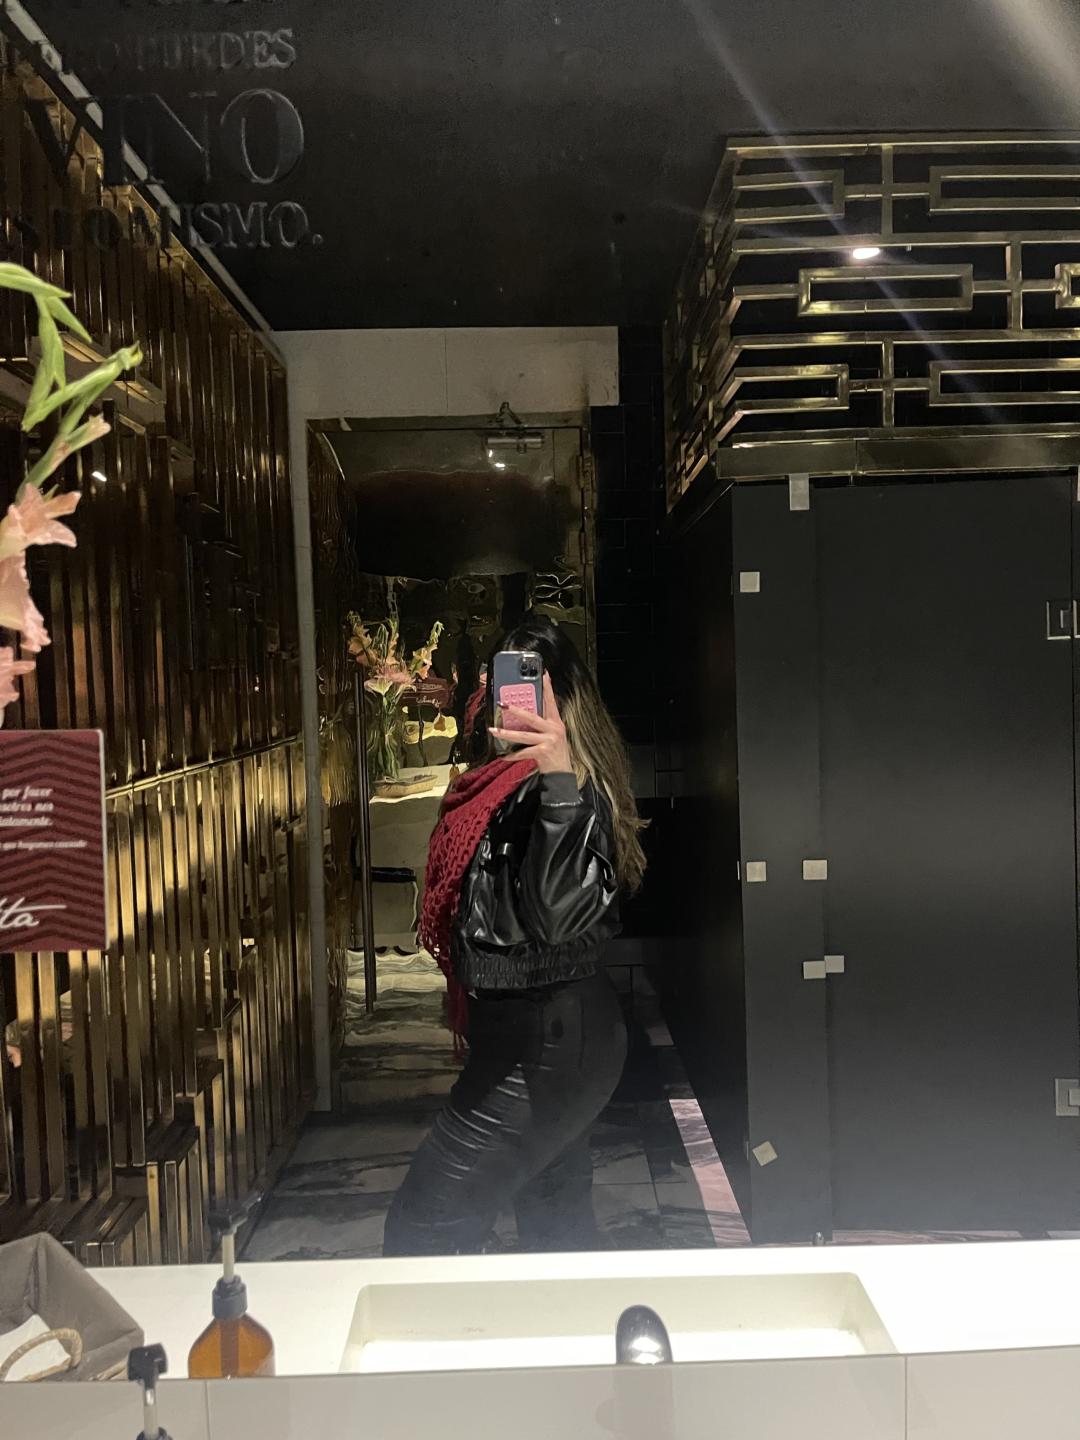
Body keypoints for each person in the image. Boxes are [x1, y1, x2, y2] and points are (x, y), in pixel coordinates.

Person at [382, 614, 646, 1255]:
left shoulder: (573, 791)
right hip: (529, 1037)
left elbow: (556, 916)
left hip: (549, 1044)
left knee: (423, 1230)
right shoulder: (505, 783)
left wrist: (557, 781)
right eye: (504, 683)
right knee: (555, 1228)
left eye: (532, 685)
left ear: (566, 696)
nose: (514, 701)